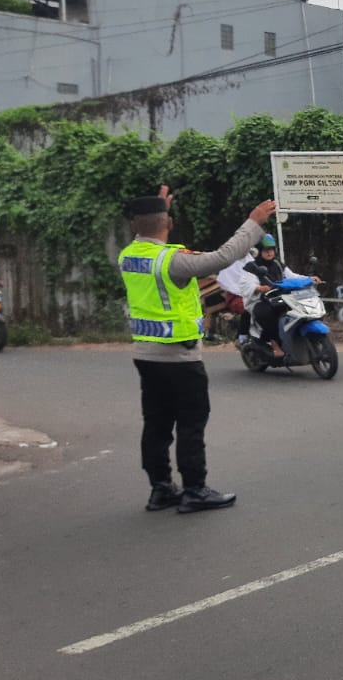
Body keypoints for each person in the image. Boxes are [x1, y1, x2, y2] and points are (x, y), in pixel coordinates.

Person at [119, 188, 277, 514]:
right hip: (179, 357)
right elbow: (222, 257)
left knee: (156, 424)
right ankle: (194, 489)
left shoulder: (129, 255)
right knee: (191, 424)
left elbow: (147, 229)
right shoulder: (172, 261)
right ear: (169, 223)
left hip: (146, 356)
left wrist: (159, 209)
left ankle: (161, 489)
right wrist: (254, 223)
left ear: (135, 225)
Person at [244, 234, 314, 359]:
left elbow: (293, 277)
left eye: (271, 249)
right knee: (266, 313)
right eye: (265, 250)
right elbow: (246, 284)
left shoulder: (278, 264)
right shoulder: (252, 267)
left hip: (280, 297)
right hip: (259, 300)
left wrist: (309, 279)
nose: (269, 252)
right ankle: (275, 345)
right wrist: (258, 288)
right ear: (258, 251)